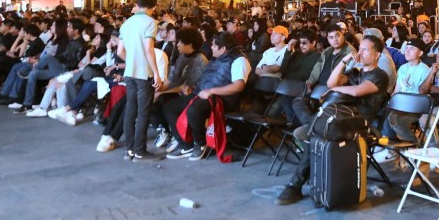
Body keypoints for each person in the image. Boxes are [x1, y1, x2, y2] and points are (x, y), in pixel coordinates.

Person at [276, 35, 389, 205]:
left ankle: (294, 185)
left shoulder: (380, 75)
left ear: (377, 54)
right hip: (339, 118)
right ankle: (313, 125)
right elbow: (331, 82)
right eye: (359, 49)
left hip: (358, 122)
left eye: (365, 49)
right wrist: (345, 60)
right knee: (299, 101)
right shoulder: (355, 72)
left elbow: (357, 91)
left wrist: (334, 91)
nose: (360, 52)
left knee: (314, 136)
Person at [164, 32, 250, 160]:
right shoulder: (216, 58)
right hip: (203, 95)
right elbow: (208, 79)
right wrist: (193, 88)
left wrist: (211, 91)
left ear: (223, 48)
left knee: (194, 109)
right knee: (169, 107)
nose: (211, 47)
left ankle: (200, 144)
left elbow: (238, 86)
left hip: (222, 99)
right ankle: (185, 144)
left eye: (214, 45)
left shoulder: (239, 60)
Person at [117, 0, 163, 161]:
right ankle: (140, 151)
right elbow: (148, 49)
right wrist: (156, 73)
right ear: (154, 7)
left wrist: (131, 61)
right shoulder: (150, 23)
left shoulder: (126, 23)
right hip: (144, 74)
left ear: (137, 4)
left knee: (130, 111)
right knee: (143, 113)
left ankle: (129, 150)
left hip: (129, 73)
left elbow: (119, 51)